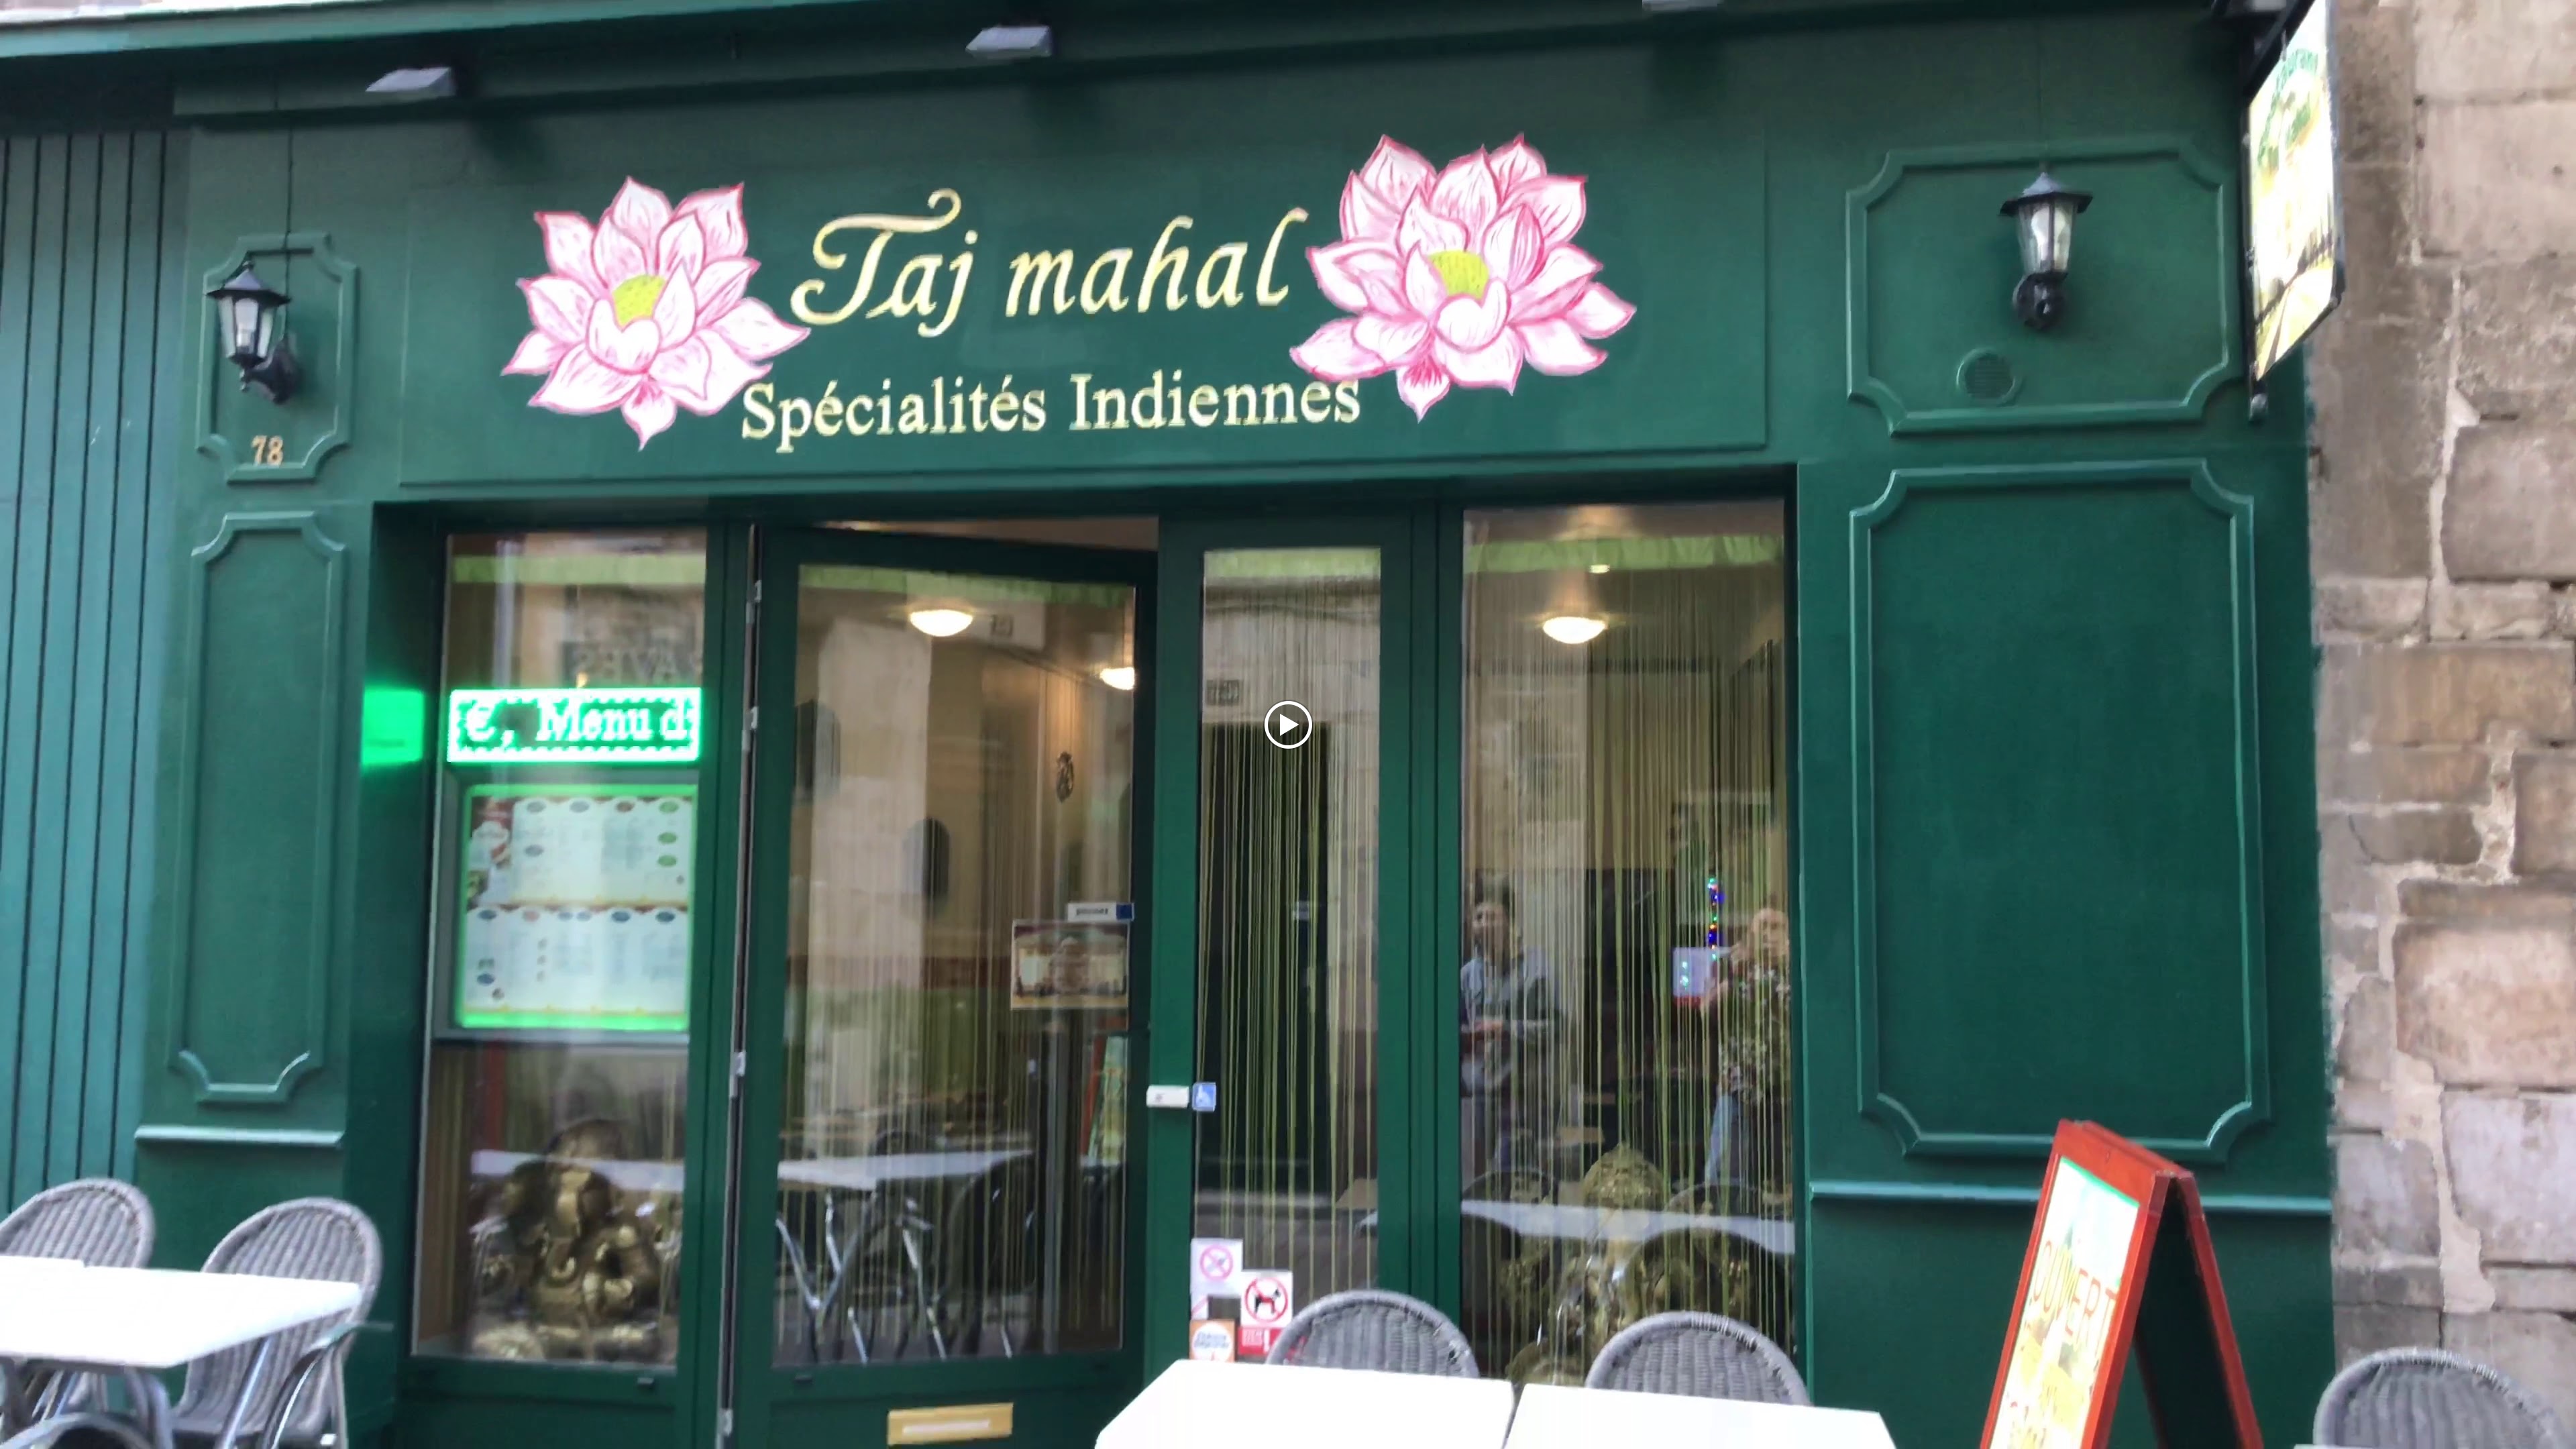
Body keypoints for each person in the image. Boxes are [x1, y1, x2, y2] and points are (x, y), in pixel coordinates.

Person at [1460, 880, 1563, 1178]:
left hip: (1523, 1095)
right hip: (1479, 1094)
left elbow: (1557, 1027)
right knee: (1480, 1181)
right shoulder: (1468, 975)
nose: (1484, 924)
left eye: (1492, 916)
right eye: (1479, 917)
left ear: (1509, 921)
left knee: (1514, 1176)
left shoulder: (1537, 968)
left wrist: (1506, 1028)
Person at [1703, 903, 1790, 1192]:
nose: (1769, 934)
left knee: (1785, 1179)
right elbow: (1706, 1012)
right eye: (1763, 926)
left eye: (1776, 927)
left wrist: (1785, 966)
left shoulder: (1799, 965)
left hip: (1785, 1090)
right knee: (1724, 1177)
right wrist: (1735, 978)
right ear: (1751, 931)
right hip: (1738, 1086)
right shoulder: (1730, 963)